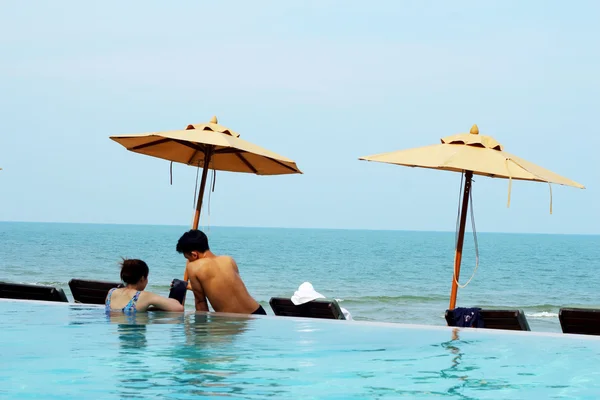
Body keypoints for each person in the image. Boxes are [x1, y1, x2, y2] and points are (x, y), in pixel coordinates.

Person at [176, 229, 266, 315]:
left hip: (234, 321)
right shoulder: (228, 260)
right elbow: (226, 287)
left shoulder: (193, 267)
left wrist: (200, 330)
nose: (188, 261)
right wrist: (190, 286)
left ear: (194, 254)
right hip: (258, 313)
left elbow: (201, 303)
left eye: (187, 258)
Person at [105, 258, 184, 313]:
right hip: (136, 335)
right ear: (142, 278)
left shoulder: (111, 292)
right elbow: (179, 308)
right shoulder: (142, 296)